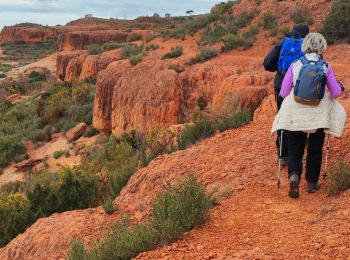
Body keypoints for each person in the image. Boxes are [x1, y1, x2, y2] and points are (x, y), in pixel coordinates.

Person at [271, 33, 346, 198]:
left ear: (305, 46)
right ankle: (312, 183)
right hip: (317, 113)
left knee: (295, 146)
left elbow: (283, 92)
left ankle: (294, 177)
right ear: (322, 47)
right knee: (315, 148)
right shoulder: (326, 66)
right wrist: (340, 87)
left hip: (296, 112)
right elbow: (335, 92)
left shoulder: (296, 64)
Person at [263, 24, 310, 165]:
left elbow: (267, 63)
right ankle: (298, 150)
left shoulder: (282, 43)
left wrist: (280, 68)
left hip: (281, 85)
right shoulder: (309, 45)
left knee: (283, 117)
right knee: (300, 117)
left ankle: (283, 155)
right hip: (302, 87)